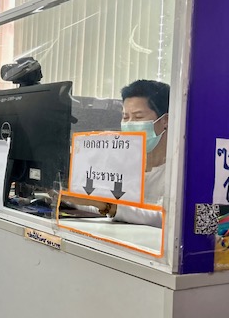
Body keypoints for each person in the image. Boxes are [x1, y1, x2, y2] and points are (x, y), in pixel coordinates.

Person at [72, 79, 169, 228]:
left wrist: (109, 207)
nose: (129, 124)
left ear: (165, 120)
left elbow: (166, 217)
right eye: (125, 117)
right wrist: (64, 198)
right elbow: (98, 205)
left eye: (138, 117)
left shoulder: (179, 172)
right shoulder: (120, 162)